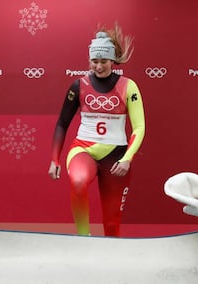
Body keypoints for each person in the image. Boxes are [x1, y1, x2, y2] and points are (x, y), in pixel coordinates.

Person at [48, 24, 145, 237]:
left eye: (103, 61)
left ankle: (110, 260)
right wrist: (55, 159)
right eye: (94, 61)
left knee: (111, 225)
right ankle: (84, 240)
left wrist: (128, 158)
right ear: (89, 60)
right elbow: (62, 123)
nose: (98, 66)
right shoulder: (78, 86)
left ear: (113, 61)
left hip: (116, 156)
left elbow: (139, 127)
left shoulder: (129, 86)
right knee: (79, 180)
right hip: (83, 149)